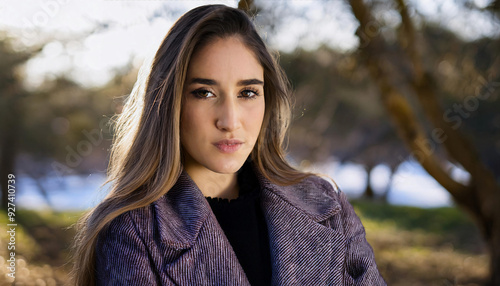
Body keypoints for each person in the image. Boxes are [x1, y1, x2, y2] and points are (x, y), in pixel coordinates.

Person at [70, 4, 386, 285]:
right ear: (168, 103)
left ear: (267, 99)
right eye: (204, 92)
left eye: (247, 92)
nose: (230, 120)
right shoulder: (133, 232)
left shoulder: (325, 205)